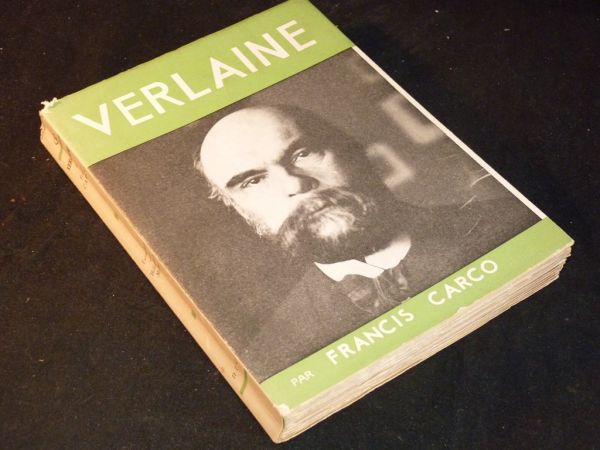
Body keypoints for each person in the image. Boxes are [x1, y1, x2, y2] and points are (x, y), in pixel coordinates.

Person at [194, 105, 538, 380]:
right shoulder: (272, 358)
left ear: (354, 149)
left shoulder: (516, 221)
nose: (294, 185)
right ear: (241, 211)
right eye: (252, 182)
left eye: (302, 153)